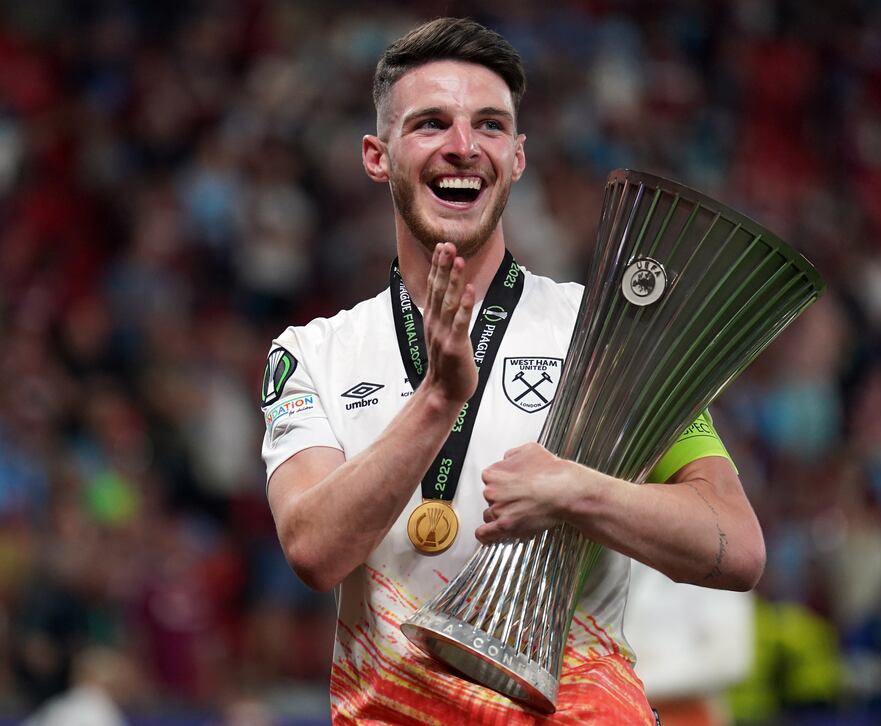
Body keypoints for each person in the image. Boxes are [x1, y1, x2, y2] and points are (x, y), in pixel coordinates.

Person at [260, 17, 765, 725]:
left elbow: (736, 546)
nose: (463, 147)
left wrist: (578, 492)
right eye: (431, 123)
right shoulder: (312, 353)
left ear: (518, 157)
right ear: (377, 156)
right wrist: (437, 400)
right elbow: (313, 550)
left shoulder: (606, 335)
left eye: (490, 126)